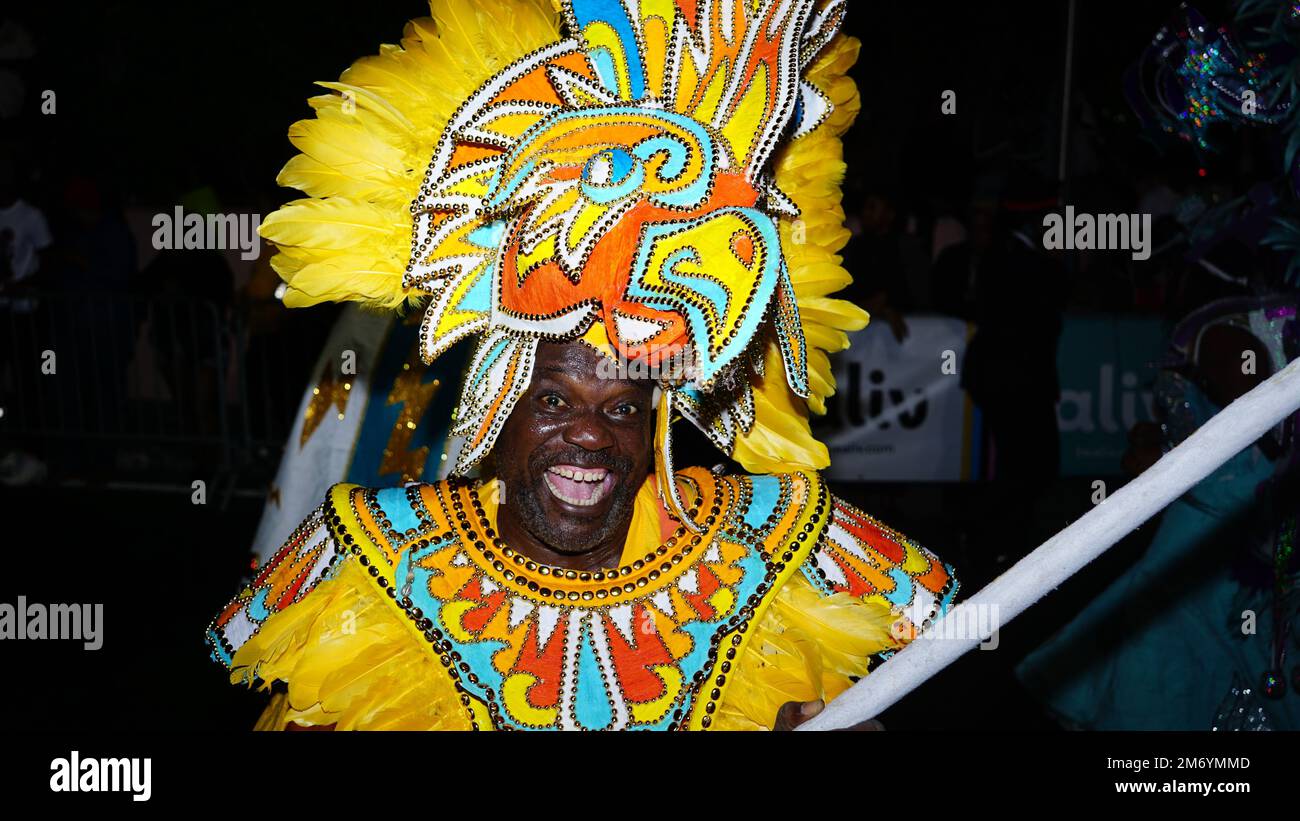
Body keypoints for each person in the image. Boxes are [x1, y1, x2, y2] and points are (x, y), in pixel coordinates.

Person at [204, 0, 959, 731]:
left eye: (624, 406)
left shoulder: (772, 548)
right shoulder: (370, 559)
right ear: (494, 407)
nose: (592, 436)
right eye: (555, 402)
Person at [1015, 295, 1300, 730]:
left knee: (1178, 656)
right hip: (1204, 550)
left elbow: (1256, 452)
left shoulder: (1232, 335)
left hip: (1221, 547)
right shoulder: (1219, 328)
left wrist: (1164, 464)